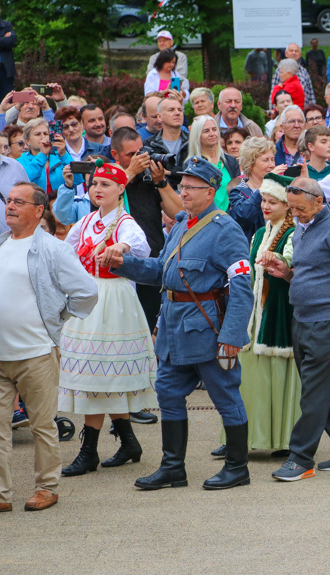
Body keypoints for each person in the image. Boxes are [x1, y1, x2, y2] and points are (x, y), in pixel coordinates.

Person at [109, 157, 254, 491]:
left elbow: (241, 287)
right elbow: (162, 270)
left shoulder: (225, 230)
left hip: (207, 330)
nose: (183, 192)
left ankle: (237, 467)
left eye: (191, 187)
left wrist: (232, 335)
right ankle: (173, 467)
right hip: (174, 328)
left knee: (225, 396)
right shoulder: (181, 224)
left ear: (211, 191)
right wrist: (124, 263)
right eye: (182, 186)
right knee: (168, 392)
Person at [0, 182, 98, 516]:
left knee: (42, 425)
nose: (9, 206)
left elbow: (85, 292)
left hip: (37, 353)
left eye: (18, 202)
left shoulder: (53, 249)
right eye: (8, 200)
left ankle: (46, 488)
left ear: (38, 210)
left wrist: (56, 319)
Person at [260, 177, 330, 481]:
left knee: (313, 393)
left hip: (327, 321)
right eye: (291, 208)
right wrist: (286, 273)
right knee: (322, 389)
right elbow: (310, 274)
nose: (296, 214)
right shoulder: (301, 227)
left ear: (320, 201)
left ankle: (301, 457)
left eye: (301, 208)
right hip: (304, 318)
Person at [57, 163, 156, 477]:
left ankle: (89, 452)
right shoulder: (85, 221)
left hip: (113, 298)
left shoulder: (124, 221)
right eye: (94, 184)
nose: (98, 189)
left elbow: (141, 245)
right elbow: (64, 253)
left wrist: (120, 247)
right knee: (99, 376)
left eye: (105, 184)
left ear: (120, 189)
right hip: (88, 299)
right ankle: (128, 442)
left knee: (100, 375)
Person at [214, 173, 299, 457]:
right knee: (247, 378)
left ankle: (281, 440)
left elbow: (292, 266)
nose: (265, 205)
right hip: (254, 316)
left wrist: (280, 263)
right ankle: (241, 438)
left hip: (277, 314)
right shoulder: (260, 234)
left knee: (275, 375)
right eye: (264, 199)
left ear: (288, 205)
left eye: (272, 201)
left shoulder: (292, 233)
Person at [108, 127, 183, 328]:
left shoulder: (148, 179)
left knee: (148, 329)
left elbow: (179, 213)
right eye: (131, 155)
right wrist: (130, 172)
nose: (138, 158)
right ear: (115, 154)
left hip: (151, 266)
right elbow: (105, 202)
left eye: (140, 152)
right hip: (118, 267)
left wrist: (161, 182)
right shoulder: (106, 176)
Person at [188, 115, 239, 212]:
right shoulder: (193, 164)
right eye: (206, 131)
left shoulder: (231, 161)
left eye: (214, 129)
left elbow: (237, 192)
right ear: (197, 136)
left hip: (230, 218)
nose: (212, 134)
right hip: (205, 218)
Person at [17, 118, 73, 195]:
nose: (43, 137)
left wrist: (63, 154)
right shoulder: (20, 162)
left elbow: (78, 179)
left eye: (46, 134)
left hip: (60, 204)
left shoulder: (59, 157)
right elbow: (25, 181)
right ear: (27, 141)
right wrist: (42, 155)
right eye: (37, 134)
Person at [144, 98, 189, 185]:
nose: (177, 113)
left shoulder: (193, 141)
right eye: (171, 110)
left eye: (180, 110)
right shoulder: (150, 144)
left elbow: (195, 171)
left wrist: (169, 172)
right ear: (159, 117)